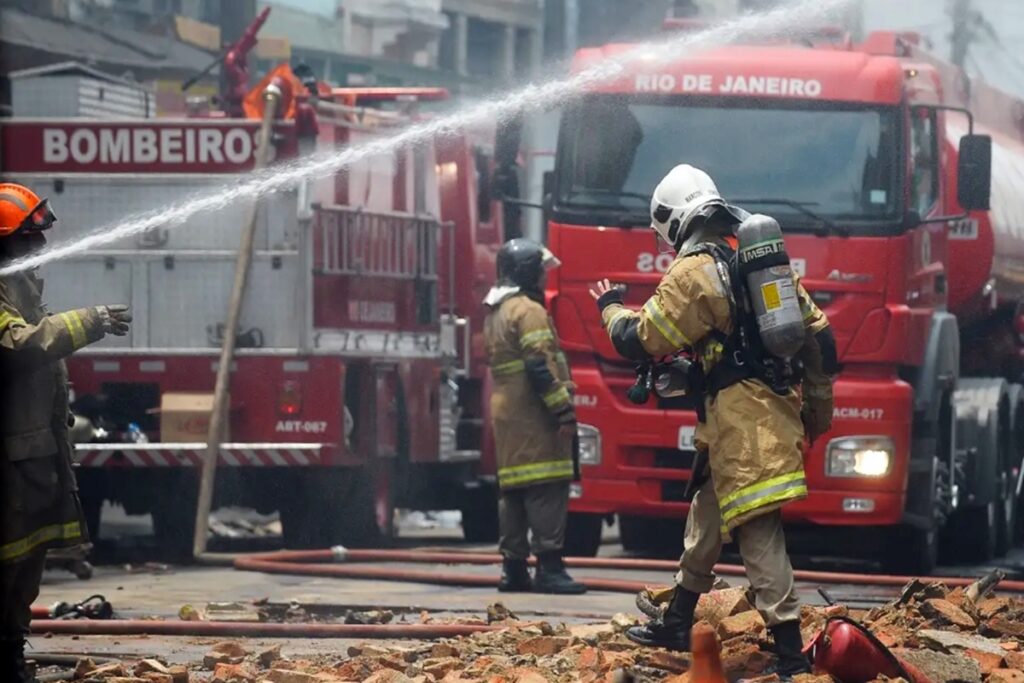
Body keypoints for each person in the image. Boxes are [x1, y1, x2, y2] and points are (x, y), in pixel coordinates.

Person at [589, 165, 838, 678]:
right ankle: (679, 619)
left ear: (672, 221)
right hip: (764, 413)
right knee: (707, 514)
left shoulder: (692, 273)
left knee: (757, 531)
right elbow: (820, 336)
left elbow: (641, 339)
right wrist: (818, 406)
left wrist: (610, 308)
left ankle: (791, 653)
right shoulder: (754, 263)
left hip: (740, 427)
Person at [0, 183, 132, 682]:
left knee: (24, 559)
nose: (41, 246)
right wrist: (87, 322)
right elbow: (19, 344)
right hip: (9, 457)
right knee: (10, 559)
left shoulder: (17, 281)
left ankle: (10, 650)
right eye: (29, 237)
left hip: (28, 453)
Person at [483, 238, 586, 595]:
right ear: (527, 272)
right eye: (540, 271)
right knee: (545, 489)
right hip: (533, 414)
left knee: (512, 491)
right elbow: (540, 368)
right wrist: (563, 411)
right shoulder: (528, 311)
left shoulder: (497, 311)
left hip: (507, 412)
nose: (544, 278)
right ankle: (550, 568)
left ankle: (513, 570)